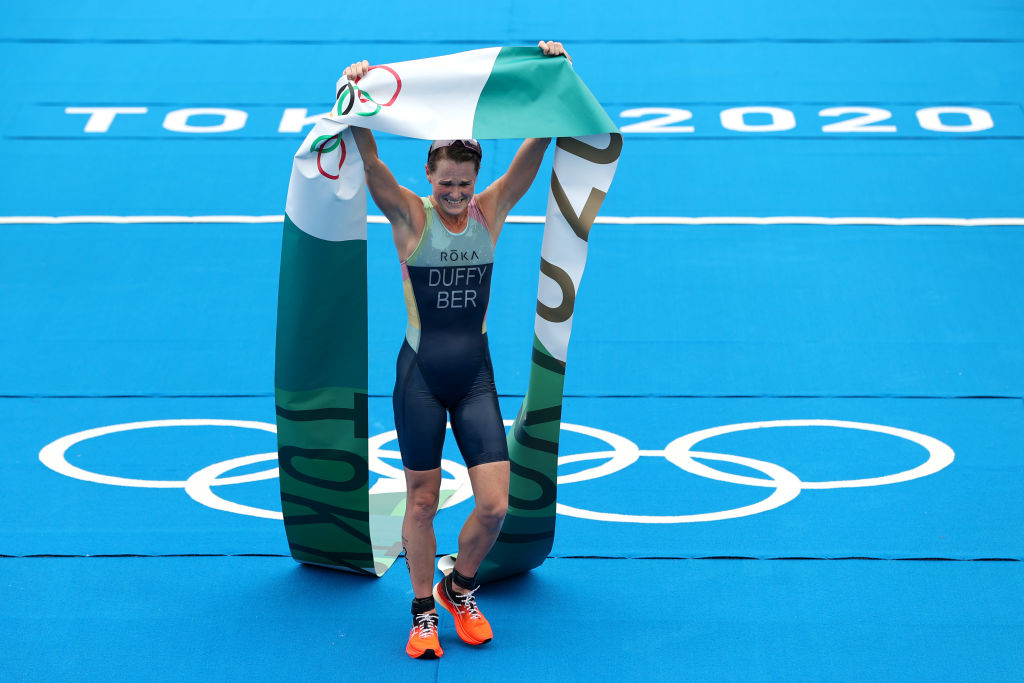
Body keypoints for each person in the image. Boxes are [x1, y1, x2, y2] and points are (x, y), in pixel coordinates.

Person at [341, 40, 571, 659]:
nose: (455, 194)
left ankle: (458, 588)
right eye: (446, 183)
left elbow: (534, 151)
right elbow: (370, 163)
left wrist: (554, 77)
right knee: (421, 501)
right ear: (429, 176)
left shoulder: (489, 212)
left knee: (494, 506)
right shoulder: (409, 218)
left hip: (474, 377)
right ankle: (422, 612)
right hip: (420, 376)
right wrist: (357, 95)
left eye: (464, 184)